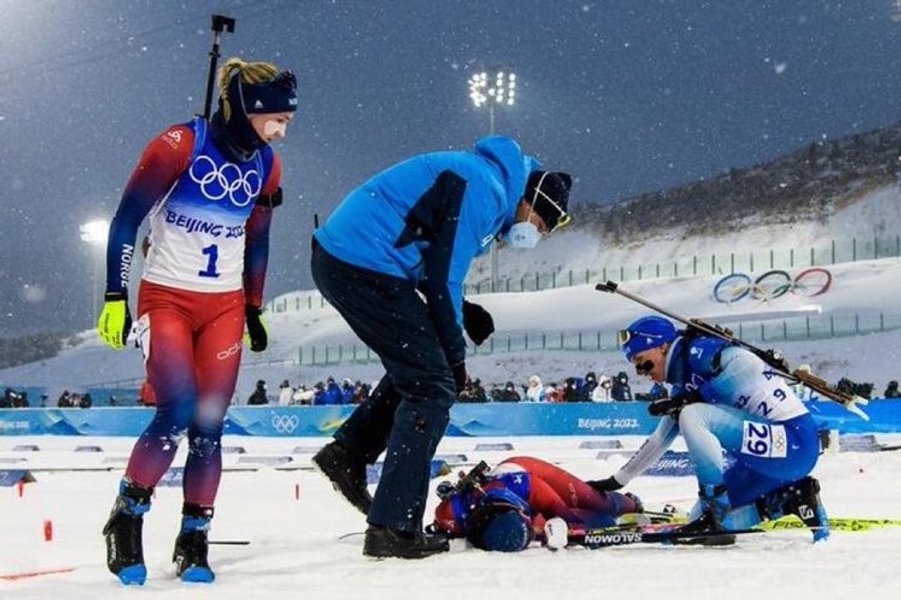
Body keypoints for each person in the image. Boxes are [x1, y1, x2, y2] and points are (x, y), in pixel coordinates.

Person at [310, 137, 572, 559]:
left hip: (356, 261)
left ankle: (349, 454)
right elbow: (441, 275)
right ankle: (392, 527)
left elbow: (428, 254)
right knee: (433, 384)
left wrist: (462, 311)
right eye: (540, 224)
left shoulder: (485, 182)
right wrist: (456, 354)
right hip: (361, 265)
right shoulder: (485, 189)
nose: (534, 234)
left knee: (422, 372)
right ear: (532, 201)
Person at [96, 57, 296, 585]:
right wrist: (116, 294)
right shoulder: (179, 146)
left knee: (208, 426)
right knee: (177, 409)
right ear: (246, 110)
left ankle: (194, 539)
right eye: (276, 118)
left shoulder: (266, 166)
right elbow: (125, 219)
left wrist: (253, 305)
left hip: (223, 306)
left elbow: (259, 237)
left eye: (288, 122)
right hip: (167, 299)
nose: (281, 131)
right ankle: (127, 517)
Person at [586, 316, 829, 544]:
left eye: (641, 360)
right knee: (696, 524)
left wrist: (697, 397)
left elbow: (749, 366)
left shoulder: (699, 352)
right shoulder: (681, 387)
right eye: (636, 366)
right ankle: (790, 501)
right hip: (760, 460)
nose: (641, 371)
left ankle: (715, 509)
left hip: (793, 441)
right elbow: (659, 440)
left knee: (692, 414)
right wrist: (617, 480)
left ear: (662, 346)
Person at [430, 456, 642, 552]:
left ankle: (630, 503)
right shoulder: (451, 519)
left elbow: (558, 510)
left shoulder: (513, 488)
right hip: (513, 505)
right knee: (550, 528)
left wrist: (569, 524)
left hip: (528, 476)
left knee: (595, 504)